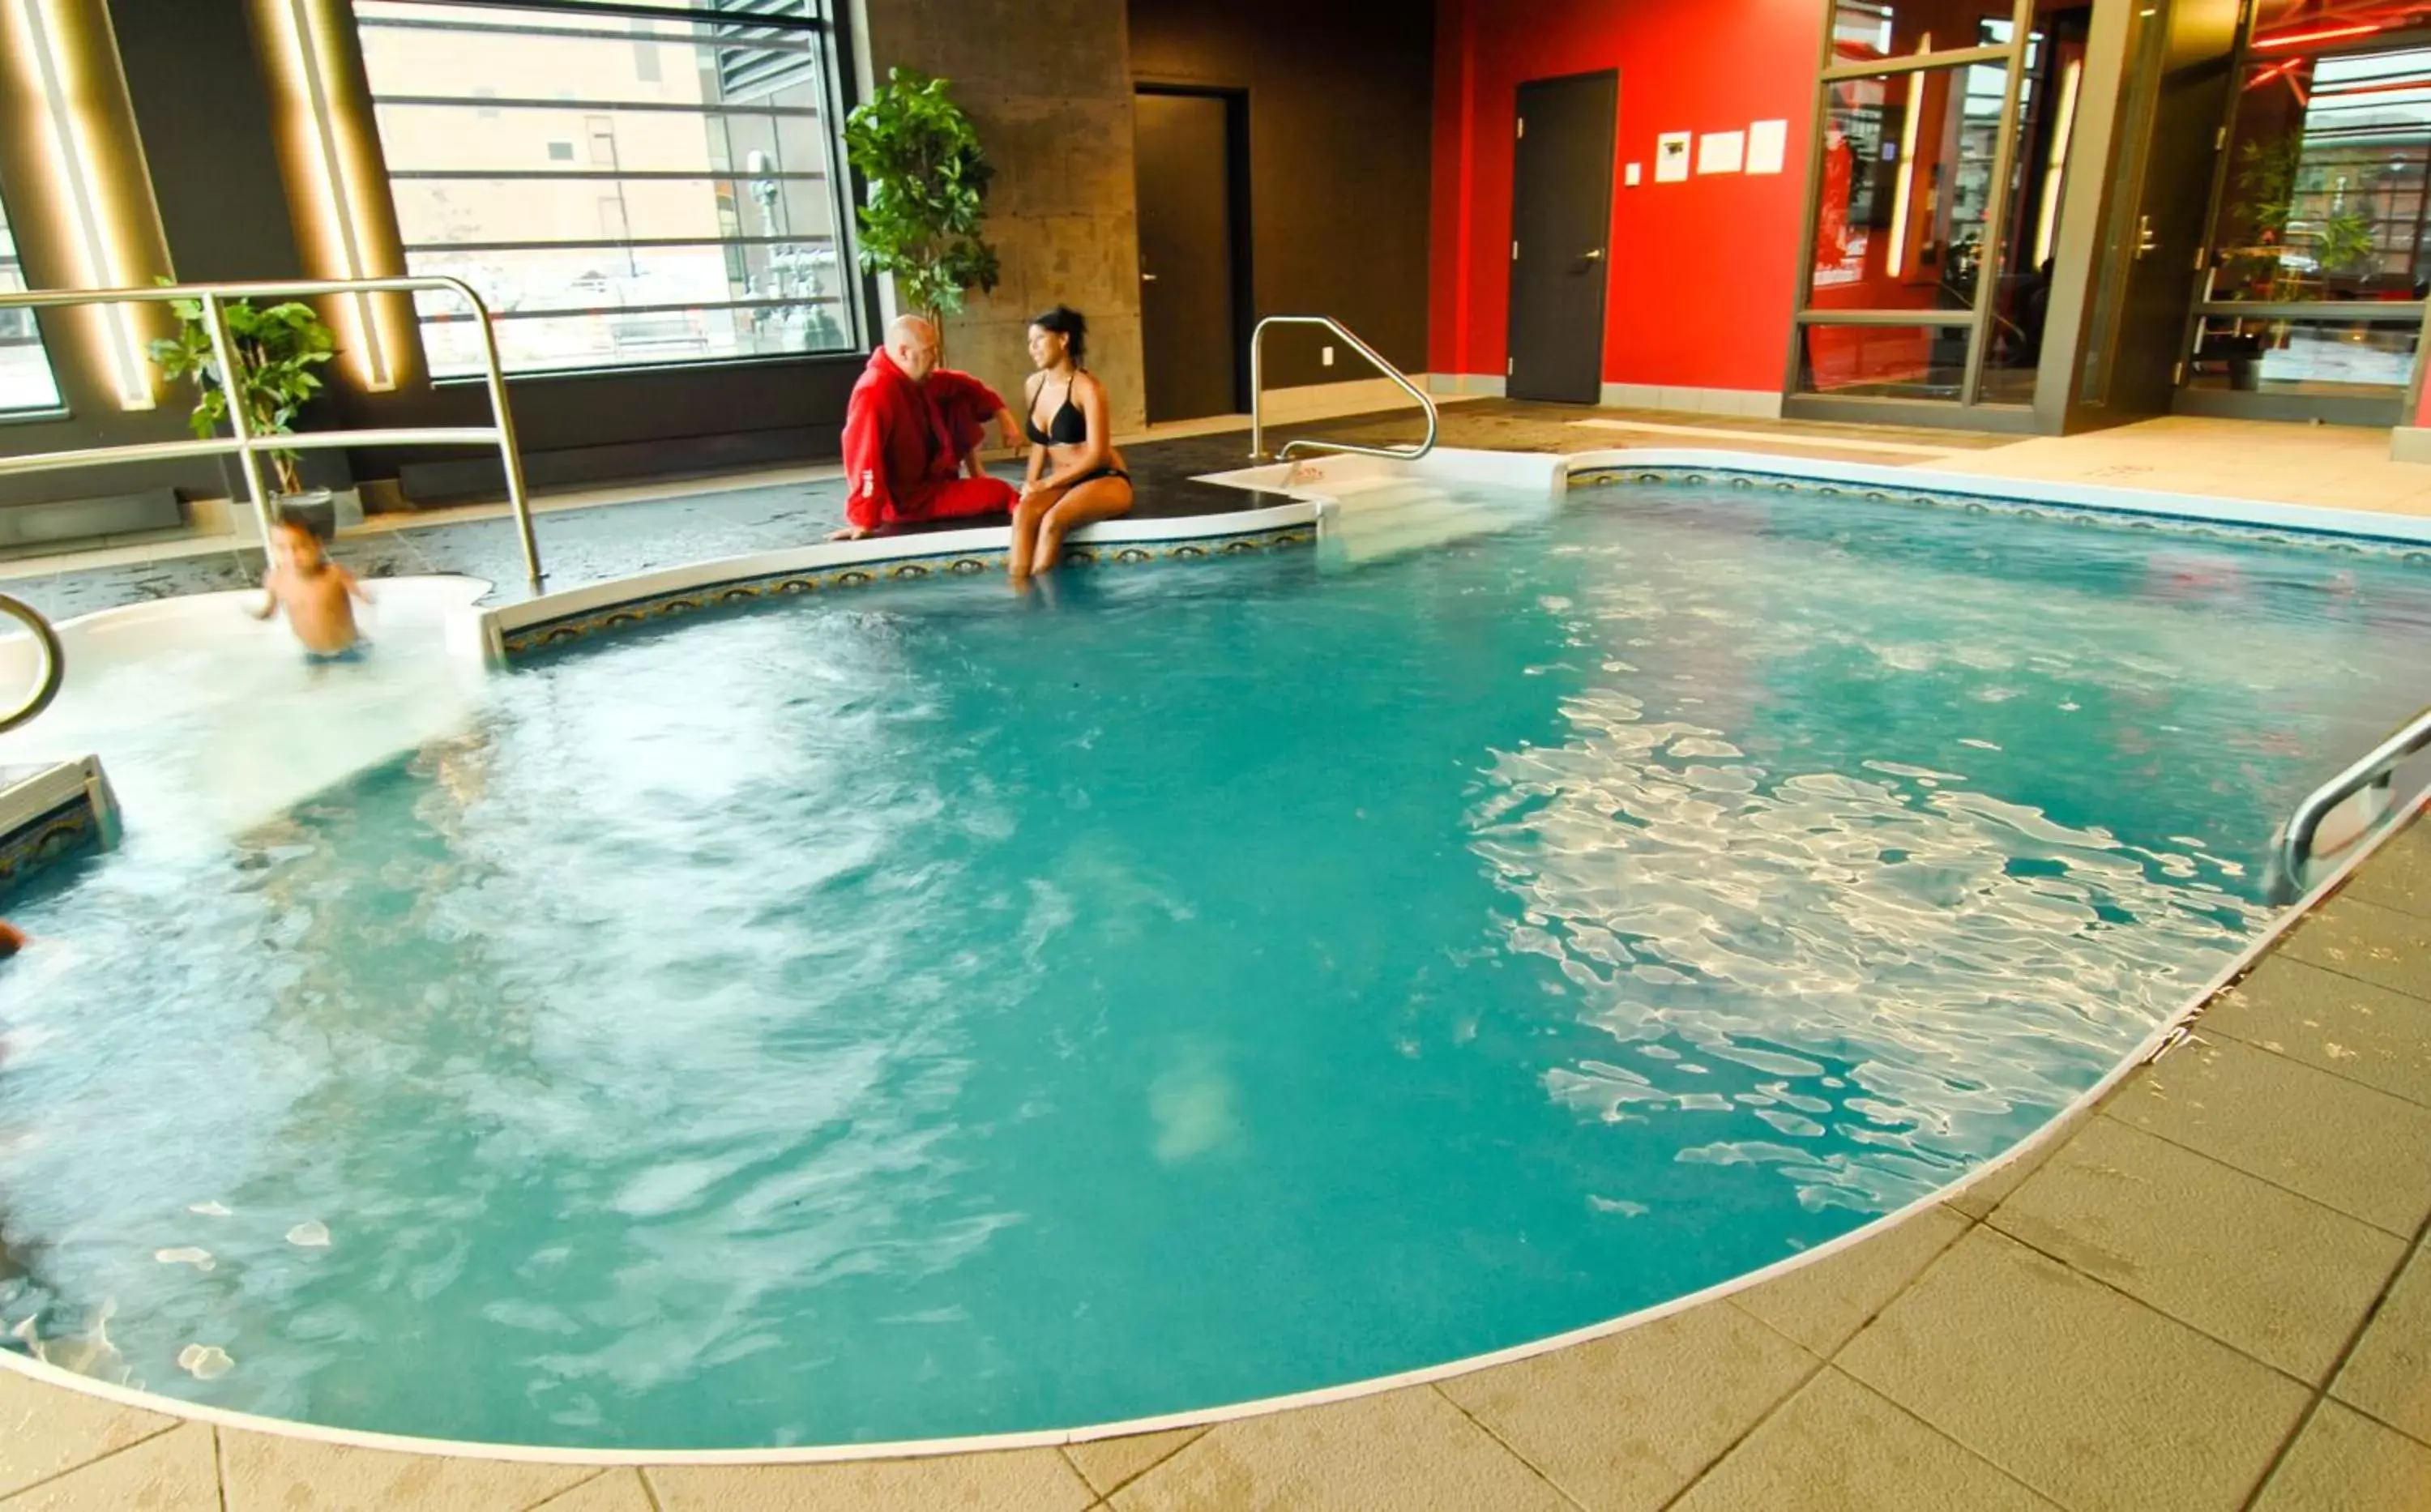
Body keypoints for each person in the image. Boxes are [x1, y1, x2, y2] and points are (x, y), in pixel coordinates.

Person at [832, 316, 1019, 540]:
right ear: (904, 352)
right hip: (908, 503)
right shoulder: (874, 390)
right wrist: (864, 520)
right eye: (929, 351)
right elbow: (864, 459)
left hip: (932, 483)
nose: (935, 358)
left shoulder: (912, 377)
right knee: (1000, 493)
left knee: (957, 395)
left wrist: (1003, 415)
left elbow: (963, 384)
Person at [1012, 306, 1134, 580]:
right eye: (1029, 342)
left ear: (1063, 339)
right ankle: (1019, 595)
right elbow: (1039, 445)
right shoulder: (1033, 385)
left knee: (1054, 522)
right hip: (1064, 483)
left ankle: (1044, 598)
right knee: (1023, 514)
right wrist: (1029, 487)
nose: (1032, 349)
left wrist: (1045, 484)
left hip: (1104, 478)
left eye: (1039, 339)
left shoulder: (1087, 388)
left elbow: (1098, 455)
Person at [251, 515, 370, 660]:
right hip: (313, 653)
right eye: (281, 548)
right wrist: (261, 614)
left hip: (349, 649)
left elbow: (361, 594)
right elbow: (270, 609)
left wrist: (365, 595)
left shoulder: (333, 574)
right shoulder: (275, 579)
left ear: (317, 545)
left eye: (300, 546)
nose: (292, 555)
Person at [926, 366, 1023, 482]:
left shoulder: (935, 380)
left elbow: (977, 389)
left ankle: (974, 469)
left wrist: (1006, 420)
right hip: (915, 480)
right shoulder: (902, 387)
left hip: (946, 472)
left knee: (958, 397)